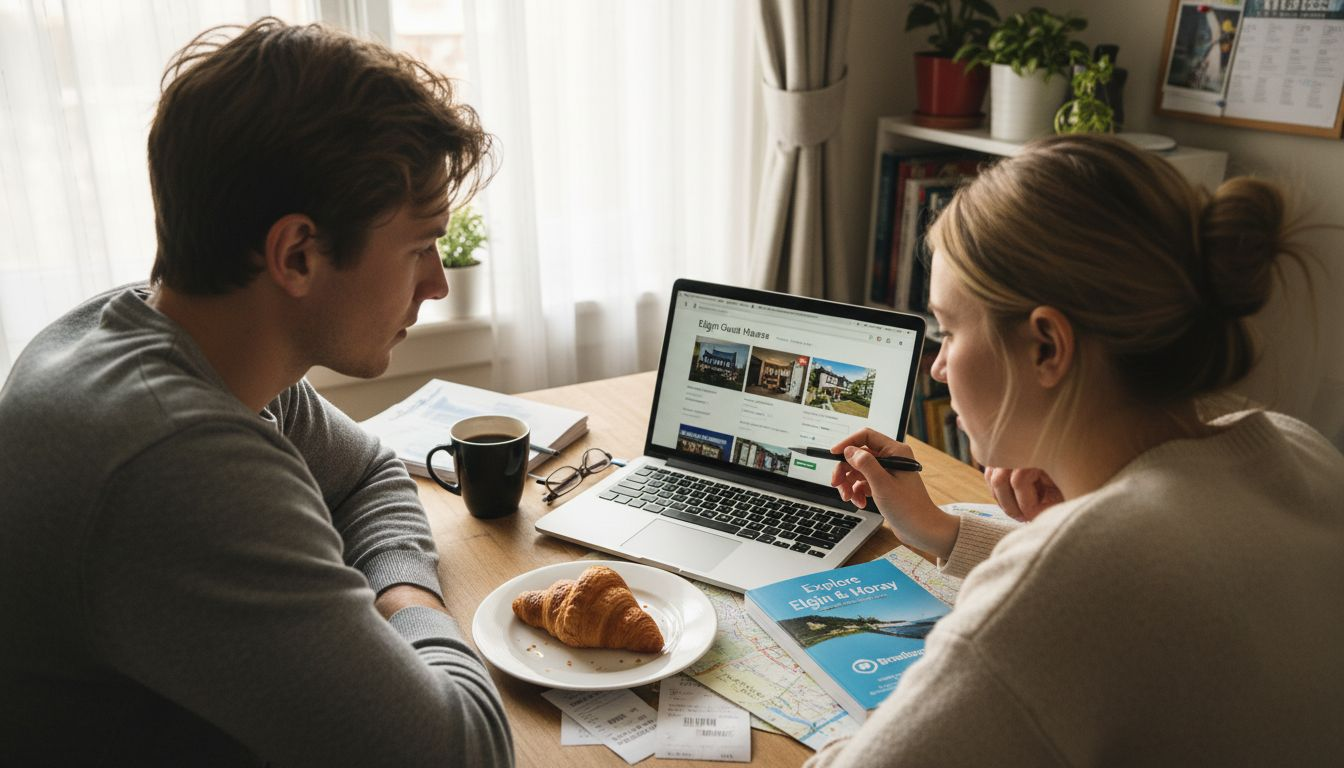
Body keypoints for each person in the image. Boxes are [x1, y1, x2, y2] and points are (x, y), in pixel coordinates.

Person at [0, 19, 513, 767]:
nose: (436, 283)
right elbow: (464, 752)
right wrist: (417, 620)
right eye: (416, 247)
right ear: (298, 254)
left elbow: (368, 473)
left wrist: (398, 595)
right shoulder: (172, 459)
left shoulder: (173, 338)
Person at [812, 135, 1344, 766]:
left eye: (950, 330)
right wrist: (944, 531)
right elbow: (1136, 582)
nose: (938, 367)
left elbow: (1080, 584)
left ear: (1047, 348)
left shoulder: (1069, 579)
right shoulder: (1297, 448)